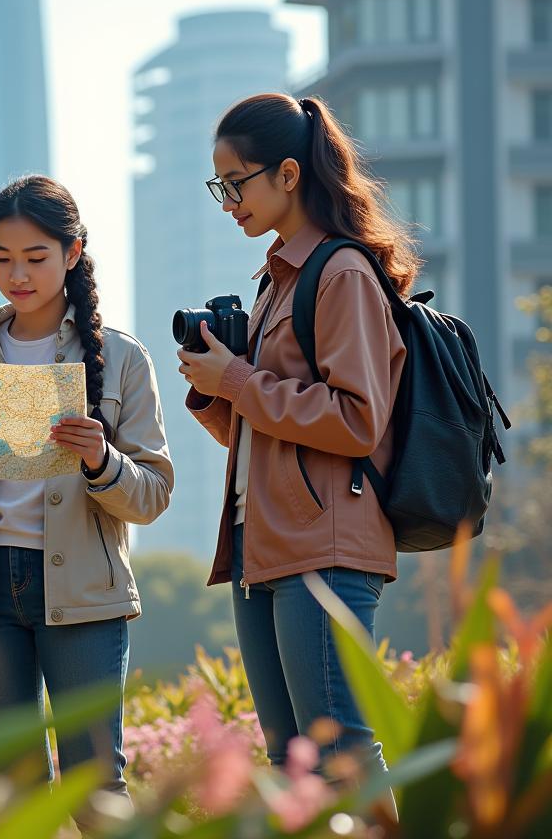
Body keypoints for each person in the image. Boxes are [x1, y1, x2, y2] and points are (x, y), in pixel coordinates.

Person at [0, 175, 173, 833]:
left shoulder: (122, 358)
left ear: (73, 253)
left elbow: (152, 494)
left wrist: (101, 460)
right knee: (12, 789)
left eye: (35, 257)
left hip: (83, 593)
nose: (16, 275)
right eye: (1, 257)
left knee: (95, 786)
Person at [178, 93, 416, 782]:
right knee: (293, 760)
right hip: (261, 544)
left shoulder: (341, 273)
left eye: (236, 182)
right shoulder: (277, 280)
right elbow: (267, 432)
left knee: (340, 753)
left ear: (288, 174)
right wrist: (217, 386)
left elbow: (356, 420)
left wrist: (238, 379)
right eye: (219, 186)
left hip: (324, 545)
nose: (228, 202)